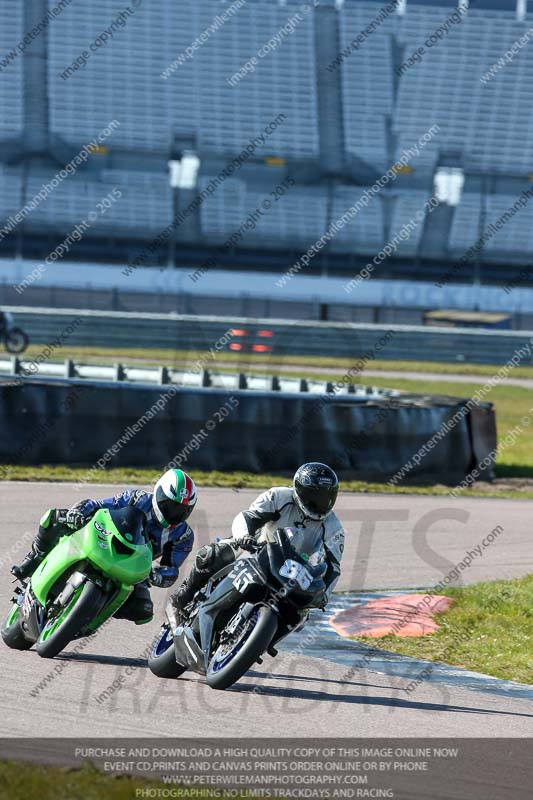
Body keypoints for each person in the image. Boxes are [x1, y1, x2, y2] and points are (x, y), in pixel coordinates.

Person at [11, 469, 198, 625]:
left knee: (143, 610)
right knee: (54, 518)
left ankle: (87, 616)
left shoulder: (183, 536)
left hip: (132, 567)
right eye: (170, 505)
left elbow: (171, 569)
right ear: (158, 494)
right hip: (103, 538)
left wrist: (157, 575)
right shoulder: (137, 498)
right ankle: (33, 559)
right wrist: (78, 512)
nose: (175, 513)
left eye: (183, 510)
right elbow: (97, 505)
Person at [172, 462, 344, 615]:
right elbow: (248, 517)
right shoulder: (279, 497)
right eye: (315, 497)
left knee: (300, 614)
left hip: (294, 574)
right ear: (299, 490)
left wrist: (324, 596)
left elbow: (333, 568)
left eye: (327, 497)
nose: (322, 504)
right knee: (212, 554)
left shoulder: (334, 528)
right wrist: (244, 537)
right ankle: (186, 593)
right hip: (257, 549)